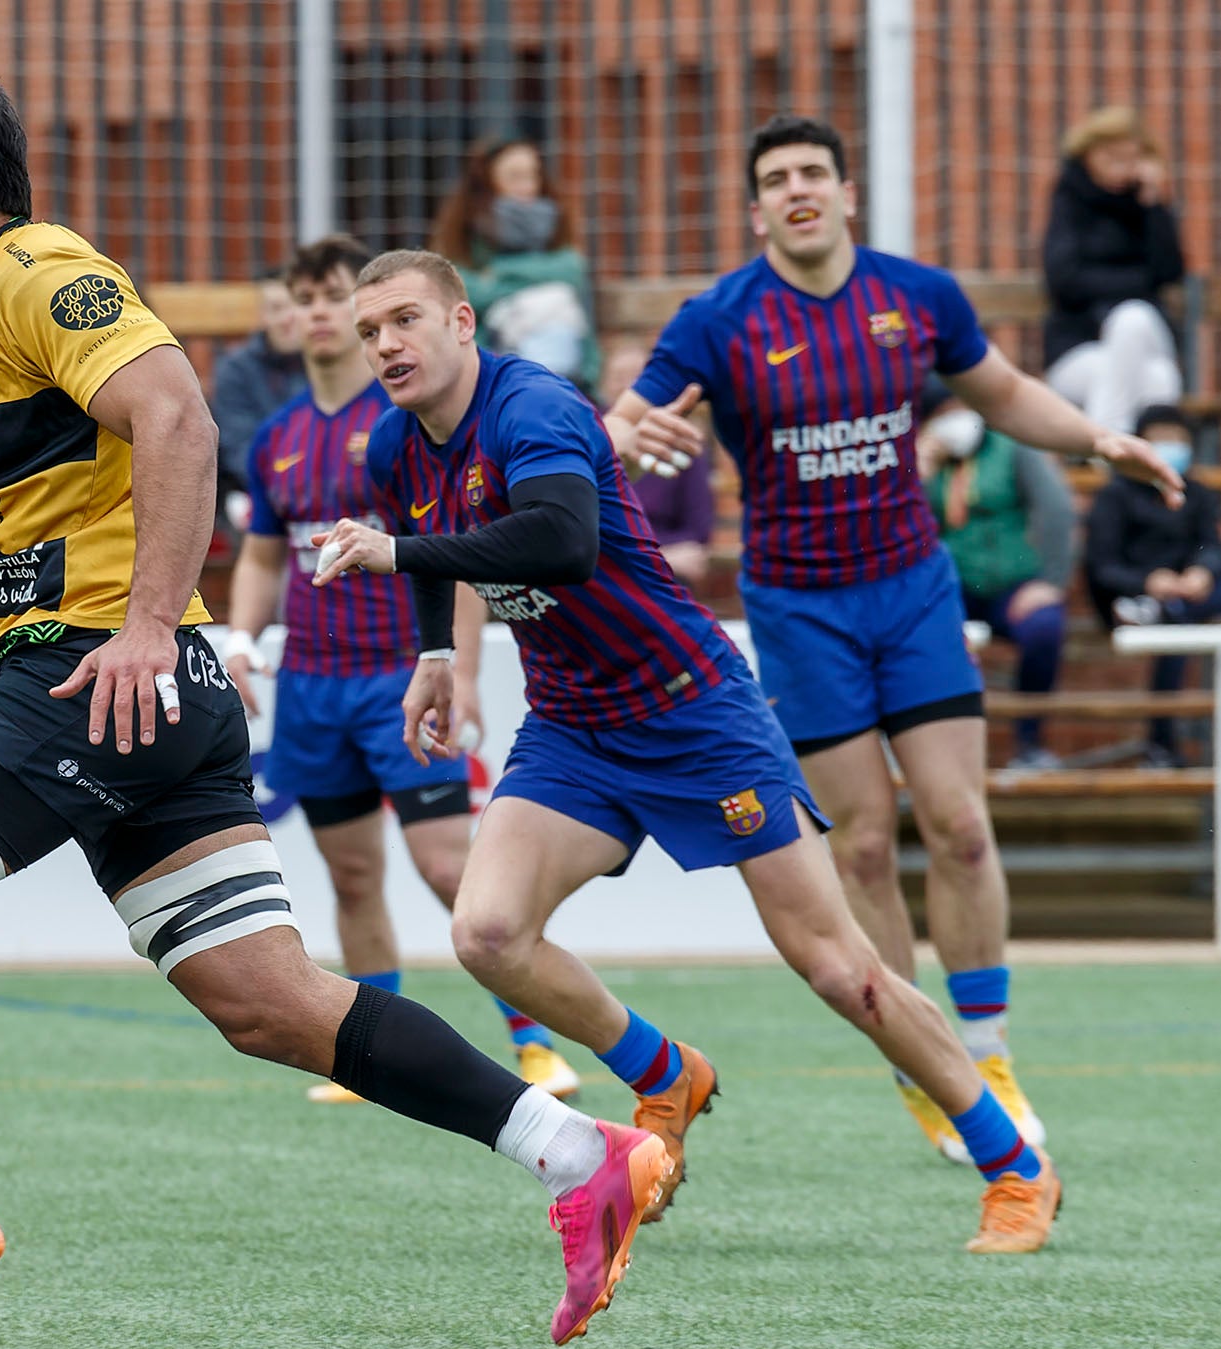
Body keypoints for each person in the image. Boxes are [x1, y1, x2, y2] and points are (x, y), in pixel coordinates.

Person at [0, 59, 666, 1345]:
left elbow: (177, 418)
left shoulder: (42, 272)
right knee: (270, 1002)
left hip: (94, 669)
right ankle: (578, 1151)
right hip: (145, 695)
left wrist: (147, 627)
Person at [317, 249, 1063, 1287]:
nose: (385, 344)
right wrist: (435, 653)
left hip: (694, 711)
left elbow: (562, 541)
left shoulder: (533, 405)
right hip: (573, 726)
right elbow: (426, 539)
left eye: (403, 319)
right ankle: (665, 1072)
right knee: (486, 933)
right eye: (369, 331)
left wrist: (397, 553)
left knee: (838, 967)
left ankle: (1014, 1164)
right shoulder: (398, 444)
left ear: (461, 321)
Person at [605, 115, 1179, 1164]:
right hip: (799, 609)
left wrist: (1101, 438)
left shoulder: (915, 296)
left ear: (845, 192)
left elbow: (1003, 394)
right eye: (776, 178)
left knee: (960, 824)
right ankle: (922, 1061)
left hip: (912, 592)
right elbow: (616, 433)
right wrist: (630, 438)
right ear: (756, 210)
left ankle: (987, 1052)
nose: (796, 189)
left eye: (812, 172)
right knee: (863, 844)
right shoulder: (716, 319)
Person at [224, 232, 581, 1104]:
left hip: (396, 674)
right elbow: (263, 554)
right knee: (351, 876)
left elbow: (455, 550)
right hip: (311, 686)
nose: (318, 313)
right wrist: (239, 640)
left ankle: (536, 1045)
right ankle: (370, 1059)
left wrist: (458, 665)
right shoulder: (276, 436)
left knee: (450, 870)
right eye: (305, 298)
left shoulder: (403, 425)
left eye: (332, 296)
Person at [916, 383, 1075, 770]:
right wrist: (920, 472)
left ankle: (1029, 743)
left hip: (1011, 584)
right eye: (943, 413)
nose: (955, 418)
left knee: (1043, 628)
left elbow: (1056, 507)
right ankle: (934, 755)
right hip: (949, 587)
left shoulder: (1010, 447)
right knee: (916, 640)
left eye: (961, 406)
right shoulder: (919, 457)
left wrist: (1051, 582)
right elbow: (900, 529)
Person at [1085, 402, 1221, 767]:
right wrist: (1148, 581)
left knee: (1180, 613)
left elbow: (1210, 545)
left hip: (1191, 596)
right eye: (1159, 439)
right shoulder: (1115, 496)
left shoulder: (1198, 493)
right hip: (1130, 597)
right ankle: (1162, 744)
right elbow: (1102, 566)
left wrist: (1202, 572)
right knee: (1174, 623)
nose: (1170, 448)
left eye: (1177, 439)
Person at [1041, 107, 1186, 435]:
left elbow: (1169, 271)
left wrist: (1152, 203)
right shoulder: (1070, 200)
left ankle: (1105, 447)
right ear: (1089, 155)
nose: (1122, 168)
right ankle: (1147, 456)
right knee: (1159, 379)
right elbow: (1063, 280)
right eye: (1112, 157)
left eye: (1130, 158)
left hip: (1144, 337)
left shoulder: (1145, 205)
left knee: (1132, 319)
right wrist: (1138, 282)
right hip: (1078, 348)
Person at [428, 137, 600, 393]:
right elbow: (464, 290)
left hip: (569, 362)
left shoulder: (555, 221)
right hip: (491, 361)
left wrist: (501, 275)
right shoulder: (465, 231)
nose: (527, 186)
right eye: (515, 176)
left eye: (533, 175)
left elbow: (572, 270)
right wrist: (542, 280)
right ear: (488, 180)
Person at [597, 338, 712, 591]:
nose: (627, 388)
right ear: (603, 384)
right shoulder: (586, 438)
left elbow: (698, 529)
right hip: (602, 568)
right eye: (618, 377)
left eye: (636, 379)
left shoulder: (681, 441)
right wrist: (661, 555)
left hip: (660, 573)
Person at [210, 273, 306, 508]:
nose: (288, 318)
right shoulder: (236, 370)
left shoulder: (330, 363)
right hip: (257, 493)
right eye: (277, 309)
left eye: (297, 304)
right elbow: (241, 451)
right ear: (262, 316)